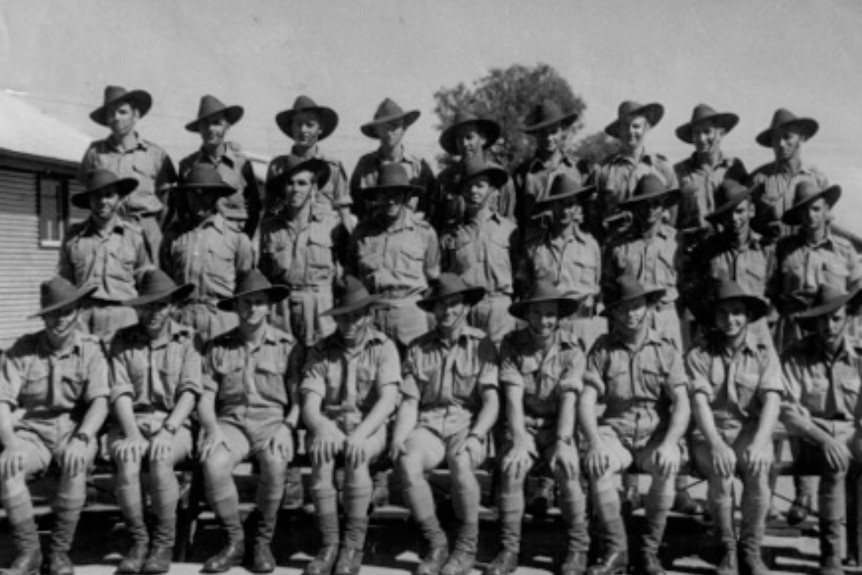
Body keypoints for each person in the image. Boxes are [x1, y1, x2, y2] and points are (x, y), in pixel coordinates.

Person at [579, 275, 690, 575]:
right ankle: (617, 551)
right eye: (624, 308)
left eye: (638, 306)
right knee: (598, 465)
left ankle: (648, 552)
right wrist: (594, 441)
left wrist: (669, 444)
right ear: (613, 313)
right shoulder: (602, 347)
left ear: (649, 308)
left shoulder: (666, 348)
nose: (631, 314)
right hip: (616, 429)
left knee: (667, 467)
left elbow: (681, 402)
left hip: (656, 432)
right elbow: (587, 399)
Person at [391, 274, 500, 575]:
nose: (448, 312)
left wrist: (478, 435)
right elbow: (410, 401)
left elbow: (491, 401)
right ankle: (436, 543)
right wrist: (399, 437)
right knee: (408, 460)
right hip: (429, 426)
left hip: (467, 425)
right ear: (432, 310)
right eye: (441, 306)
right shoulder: (418, 347)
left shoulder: (483, 345)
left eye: (454, 305)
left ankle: (466, 548)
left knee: (461, 462)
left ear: (465, 307)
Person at [197, 270, 304, 573]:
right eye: (246, 303)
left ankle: (262, 542)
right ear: (236, 307)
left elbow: (298, 399)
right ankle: (235, 541)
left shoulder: (287, 346)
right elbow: (205, 398)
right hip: (232, 423)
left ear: (269, 306)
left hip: (272, 423)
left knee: (275, 461)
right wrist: (212, 430)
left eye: (259, 302)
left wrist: (287, 428)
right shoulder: (218, 346)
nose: (252, 309)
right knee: (214, 463)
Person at [0, 277, 109, 575]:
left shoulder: (91, 349)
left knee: (75, 465)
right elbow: (3, 401)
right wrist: (9, 443)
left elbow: (100, 401)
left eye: (66, 312)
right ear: (43, 315)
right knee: (6, 468)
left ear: (78, 312)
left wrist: (84, 436)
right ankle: (29, 552)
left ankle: (60, 552)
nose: (59, 320)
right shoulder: (24, 349)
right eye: (52, 313)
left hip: (75, 428)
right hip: (33, 431)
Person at [768, 181, 859, 525]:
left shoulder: (845, 251)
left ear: (827, 211)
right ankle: (803, 494)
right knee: (796, 405)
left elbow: (854, 297)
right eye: (805, 209)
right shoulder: (784, 250)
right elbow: (771, 292)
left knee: (834, 405)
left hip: (832, 329)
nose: (811, 215)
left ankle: (843, 514)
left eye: (817, 208)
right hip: (793, 328)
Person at [485, 281, 589, 575]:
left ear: (558, 317)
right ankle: (509, 549)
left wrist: (564, 441)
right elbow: (513, 398)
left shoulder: (573, 347)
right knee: (512, 467)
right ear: (526, 315)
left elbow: (570, 399)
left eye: (550, 315)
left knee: (568, 468)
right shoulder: (511, 344)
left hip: (559, 426)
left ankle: (578, 548)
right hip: (525, 426)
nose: (544, 321)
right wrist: (519, 440)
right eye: (537, 313)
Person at [300, 277, 401, 575]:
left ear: (369, 314)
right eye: (344, 316)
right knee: (321, 460)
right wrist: (320, 426)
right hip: (330, 425)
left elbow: (387, 400)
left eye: (358, 315)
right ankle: (329, 544)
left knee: (356, 460)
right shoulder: (321, 349)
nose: (352, 323)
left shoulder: (384, 347)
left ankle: (352, 546)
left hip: (368, 426)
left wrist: (359, 434)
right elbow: (310, 401)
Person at [686, 280, 781, 575]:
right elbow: (700, 405)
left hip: (749, 431)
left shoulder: (764, 353)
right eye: (722, 313)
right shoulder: (699, 356)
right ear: (713, 318)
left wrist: (760, 442)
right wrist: (715, 443)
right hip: (709, 432)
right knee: (721, 471)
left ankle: (751, 550)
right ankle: (727, 548)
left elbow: (772, 401)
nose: (730, 320)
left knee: (758, 471)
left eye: (737, 312)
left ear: (748, 315)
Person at [108, 270, 200, 575]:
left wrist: (169, 429)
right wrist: (132, 433)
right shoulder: (123, 341)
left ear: (173, 306)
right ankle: (138, 541)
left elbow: (189, 391)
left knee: (161, 460)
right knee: (128, 460)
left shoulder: (187, 340)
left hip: (173, 423)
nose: (153, 313)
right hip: (130, 421)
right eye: (146, 306)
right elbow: (119, 390)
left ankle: (163, 542)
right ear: (137, 308)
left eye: (160, 305)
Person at [780, 284, 862, 575]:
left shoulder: (859, 356)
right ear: (814, 321)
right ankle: (830, 555)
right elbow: (789, 410)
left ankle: (857, 549)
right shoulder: (796, 354)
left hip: (853, 431)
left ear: (848, 319)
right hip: (811, 438)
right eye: (823, 319)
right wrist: (825, 439)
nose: (830, 326)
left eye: (836, 318)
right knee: (835, 462)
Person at [347, 163, 440, 355]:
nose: (390, 201)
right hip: (372, 315)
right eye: (385, 194)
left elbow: (434, 279)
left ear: (406, 197)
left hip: (410, 315)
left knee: (414, 375)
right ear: (377, 197)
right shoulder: (362, 233)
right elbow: (352, 276)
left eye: (396, 194)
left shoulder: (424, 232)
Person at [80, 85, 177, 265]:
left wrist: (153, 227)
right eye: (111, 113)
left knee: (151, 283)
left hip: (146, 228)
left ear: (136, 115)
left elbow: (167, 201)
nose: (116, 118)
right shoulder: (95, 152)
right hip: (109, 227)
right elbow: (89, 191)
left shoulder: (156, 154)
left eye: (123, 112)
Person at [161, 164, 254, 347]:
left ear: (217, 196)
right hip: (182, 317)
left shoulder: (235, 237)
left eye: (207, 193)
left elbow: (245, 280)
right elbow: (167, 276)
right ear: (186, 196)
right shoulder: (174, 236)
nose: (199, 199)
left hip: (222, 319)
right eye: (194, 193)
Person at [259, 155, 347, 347]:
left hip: (320, 310)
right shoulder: (269, 228)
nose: (295, 189)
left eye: (302, 183)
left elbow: (345, 274)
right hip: (281, 311)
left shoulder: (332, 224)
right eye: (290, 183)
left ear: (313, 188)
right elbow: (264, 272)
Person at [58, 169, 151, 342]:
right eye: (96, 196)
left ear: (119, 198)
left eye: (109, 195)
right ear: (89, 200)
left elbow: (144, 280)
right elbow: (65, 283)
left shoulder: (134, 236)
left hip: (124, 315)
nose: (102, 201)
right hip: (83, 317)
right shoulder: (73, 238)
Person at [517, 173, 605, 350]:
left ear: (577, 207)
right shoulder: (534, 248)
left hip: (584, 324)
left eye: (570, 204)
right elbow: (526, 291)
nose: (564, 211)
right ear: (551, 206)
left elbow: (598, 286)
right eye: (559, 204)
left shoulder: (591, 245)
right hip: (548, 327)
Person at [684, 179, 776, 343]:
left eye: (740, 211)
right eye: (728, 213)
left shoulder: (766, 250)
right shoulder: (707, 251)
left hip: (757, 333)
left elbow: (776, 294)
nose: (734, 218)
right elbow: (694, 295)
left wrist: (767, 328)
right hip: (719, 332)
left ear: (751, 210)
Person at [440, 156, 518, 345]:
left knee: (499, 364)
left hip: (499, 307)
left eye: (480, 185)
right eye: (468, 186)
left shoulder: (510, 230)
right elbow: (444, 275)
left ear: (492, 190)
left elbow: (521, 275)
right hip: (464, 308)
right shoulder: (451, 234)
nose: (474, 191)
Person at [602, 174, 683, 349]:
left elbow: (688, 285)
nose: (650, 210)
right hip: (629, 320)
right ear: (634, 207)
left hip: (665, 318)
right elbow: (608, 288)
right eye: (643, 204)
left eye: (656, 204)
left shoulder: (676, 241)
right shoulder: (617, 245)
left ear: (664, 206)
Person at [177, 94, 262, 238]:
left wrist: (245, 241)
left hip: (234, 241)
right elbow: (182, 209)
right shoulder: (187, 166)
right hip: (199, 241)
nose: (210, 129)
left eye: (217, 123)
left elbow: (254, 207)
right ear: (199, 127)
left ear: (227, 126)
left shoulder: (241, 164)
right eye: (205, 123)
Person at [592, 101, 678, 239]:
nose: (630, 131)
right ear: (619, 130)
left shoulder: (662, 168)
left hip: (650, 250)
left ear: (646, 128)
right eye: (625, 126)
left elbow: (672, 215)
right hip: (614, 247)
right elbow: (592, 216)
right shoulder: (602, 170)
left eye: (636, 126)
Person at [268, 96, 354, 231]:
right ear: (291, 128)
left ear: (320, 129)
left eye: (310, 124)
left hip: (322, 244)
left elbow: (344, 213)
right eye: (298, 124)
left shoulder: (333, 168)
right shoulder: (278, 167)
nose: (303, 130)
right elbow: (269, 211)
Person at [350, 97, 436, 220]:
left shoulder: (419, 166)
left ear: (404, 128)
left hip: (410, 234)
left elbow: (429, 208)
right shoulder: (364, 166)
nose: (389, 132)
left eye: (395, 126)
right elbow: (356, 207)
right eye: (384, 127)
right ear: (376, 130)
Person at [750, 108, 828, 240]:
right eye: (776, 138)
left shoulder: (817, 179)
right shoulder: (759, 179)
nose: (781, 144)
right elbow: (745, 222)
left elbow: (827, 222)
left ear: (801, 138)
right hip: (769, 254)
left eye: (787, 137)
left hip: (803, 255)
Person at [432, 110, 516, 231]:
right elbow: (437, 223)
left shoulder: (501, 178)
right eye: (459, 138)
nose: (465, 143)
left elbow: (508, 222)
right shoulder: (444, 179)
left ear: (482, 139)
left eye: (469, 137)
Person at [673, 104, 748, 232]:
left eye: (707, 131)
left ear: (721, 134)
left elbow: (748, 207)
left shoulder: (734, 167)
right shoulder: (679, 172)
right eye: (696, 133)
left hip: (726, 245)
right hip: (693, 246)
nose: (701, 139)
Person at [514, 99, 587, 228]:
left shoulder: (578, 168)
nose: (548, 138)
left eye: (553, 132)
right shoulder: (523, 174)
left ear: (562, 131)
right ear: (536, 134)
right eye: (543, 133)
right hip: (534, 244)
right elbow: (516, 218)